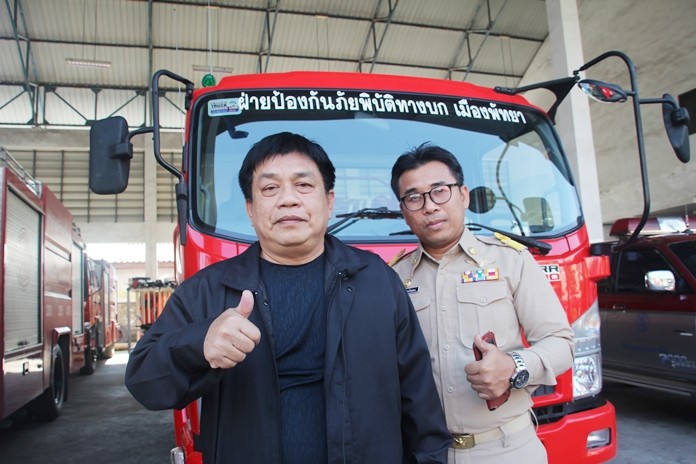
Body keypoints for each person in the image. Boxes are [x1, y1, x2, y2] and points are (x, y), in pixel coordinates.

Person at [125, 132, 451, 464]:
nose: (288, 200)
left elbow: (419, 399)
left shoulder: (377, 280)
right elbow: (144, 382)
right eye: (270, 188)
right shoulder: (209, 290)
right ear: (250, 209)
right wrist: (199, 345)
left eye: (303, 185)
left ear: (329, 201)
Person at [389, 143, 574, 463]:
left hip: (506, 448)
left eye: (440, 191)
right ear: (404, 212)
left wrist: (515, 367)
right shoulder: (394, 277)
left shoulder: (510, 260)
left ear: (463, 195)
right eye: (414, 198)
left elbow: (562, 343)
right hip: (426, 452)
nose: (429, 206)